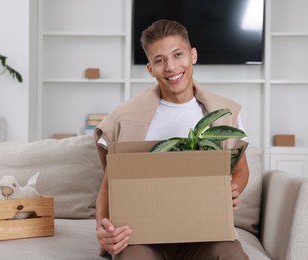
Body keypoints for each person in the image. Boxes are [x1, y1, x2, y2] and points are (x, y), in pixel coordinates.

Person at [94, 19, 249, 260]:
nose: (171, 67)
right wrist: (102, 228)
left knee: (231, 255)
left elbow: (240, 168)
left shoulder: (224, 113)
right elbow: (109, 183)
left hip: (205, 234)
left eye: (178, 55)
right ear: (150, 69)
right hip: (143, 238)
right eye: (159, 60)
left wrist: (232, 190)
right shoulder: (124, 117)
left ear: (193, 55)